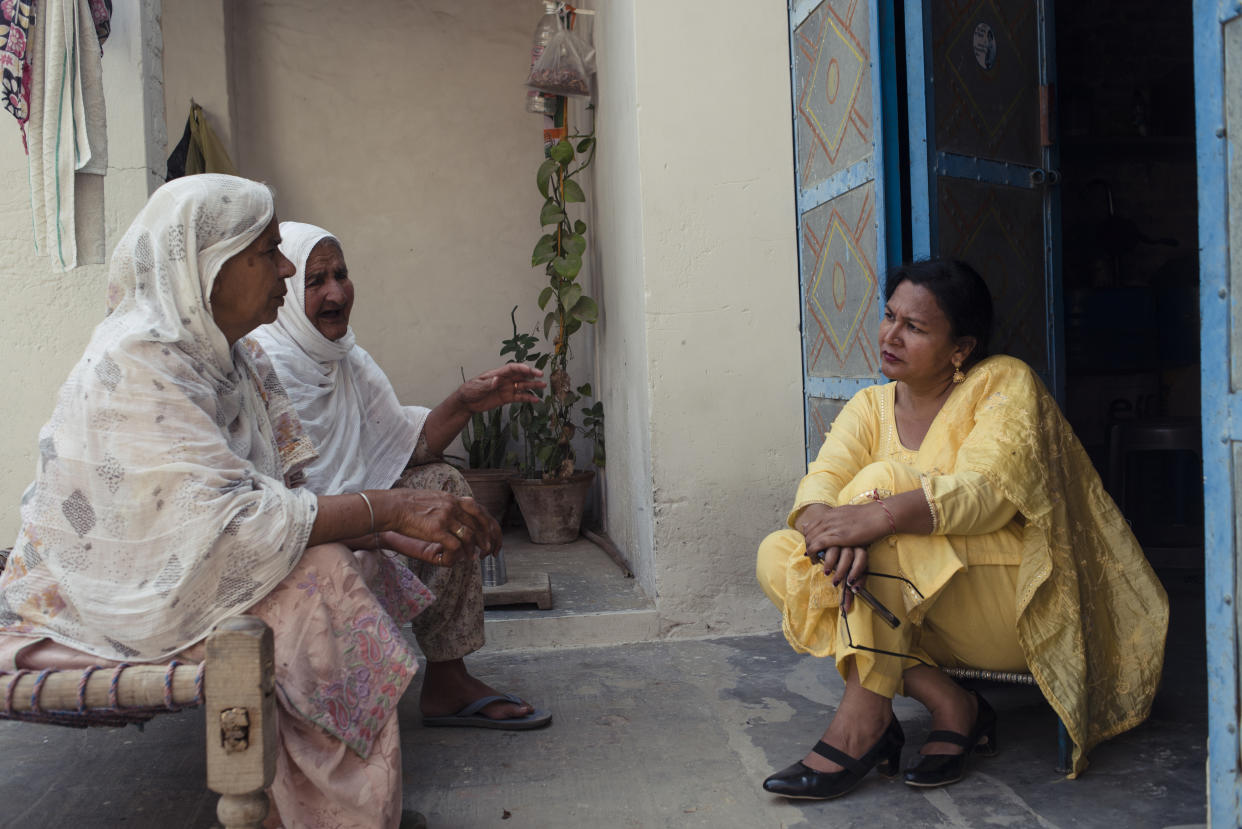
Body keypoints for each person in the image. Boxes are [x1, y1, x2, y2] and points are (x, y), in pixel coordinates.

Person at [0, 174, 500, 828]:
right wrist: (388, 511)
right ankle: (331, 813)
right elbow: (231, 525)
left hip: (204, 565)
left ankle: (333, 802)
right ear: (207, 266)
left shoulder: (235, 362)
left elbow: (277, 499)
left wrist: (382, 531)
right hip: (117, 593)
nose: (288, 269)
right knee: (318, 588)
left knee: (338, 571)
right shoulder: (141, 364)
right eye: (269, 252)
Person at [756, 258, 1168, 799]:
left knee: (882, 490)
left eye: (916, 328)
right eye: (889, 316)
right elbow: (820, 487)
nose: (891, 335)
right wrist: (827, 530)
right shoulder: (869, 407)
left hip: (1016, 605)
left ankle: (861, 726)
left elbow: (989, 495)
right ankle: (952, 703)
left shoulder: (1003, 382)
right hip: (908, 607)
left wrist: (872, 518)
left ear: (961, 349)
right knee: (778, 551)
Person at [249, 221, 551, 729]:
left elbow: (407, 450)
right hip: (300, 535)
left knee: (444, 486)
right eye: (316, 280)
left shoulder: (347, 359)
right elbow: (284, 506)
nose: (337, 292)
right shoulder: (261, 366)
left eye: (342, 275)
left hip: (364, 513)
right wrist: (390, 528)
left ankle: (448, 681)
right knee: (351, 546)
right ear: (283, 293)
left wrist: (464, 403)